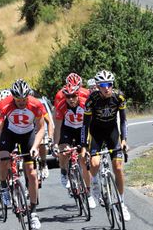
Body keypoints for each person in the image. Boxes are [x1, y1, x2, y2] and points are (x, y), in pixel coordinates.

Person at [0, 78, 45, 230]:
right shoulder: (4, 105)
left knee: (32, 174)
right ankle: (3, 186)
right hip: (10, 133)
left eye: (24, 99)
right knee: (3, 160)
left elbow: (41, 128)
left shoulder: (36, 104)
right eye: (18, 99)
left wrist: (35, 146)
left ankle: (33, 213)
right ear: (13, 97)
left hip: (28, 135)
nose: (21, 102)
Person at [81, 70, 130, 221]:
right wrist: (83, 146)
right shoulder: (91, 100)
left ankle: (121, 203)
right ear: (97, 86)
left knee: (118, 168)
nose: (106, 88)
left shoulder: (118, 97)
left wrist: (124, 140)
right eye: (103, 85)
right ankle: (95, 183)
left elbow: (123, 120)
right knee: (94, 164)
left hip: (112, 133)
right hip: (96, 133)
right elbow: (85, 125)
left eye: (109, 84)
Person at [52, 81, 95, 209]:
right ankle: (64, 171)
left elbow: (92, 124)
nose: (71, 99)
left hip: (82, 128)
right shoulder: (61, 106)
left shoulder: (85, 103)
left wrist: (89, 143)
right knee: (64, 151)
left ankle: (88, 193)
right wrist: (55, 144)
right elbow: (58, 128)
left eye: (74, 96)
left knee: (83, 161)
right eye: (68, 97)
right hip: (67, 129)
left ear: (78, 95)